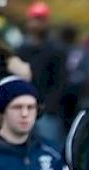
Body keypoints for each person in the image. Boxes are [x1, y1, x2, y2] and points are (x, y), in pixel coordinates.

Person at [16, 1, 69, 146]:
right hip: (24, 109)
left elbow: (61, 83)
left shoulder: (56, 50)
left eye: (40, 19)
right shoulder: (21, 50)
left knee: (49, 150)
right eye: (34, 19)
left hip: (48, 114)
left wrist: (48, 107)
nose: (36, 24)